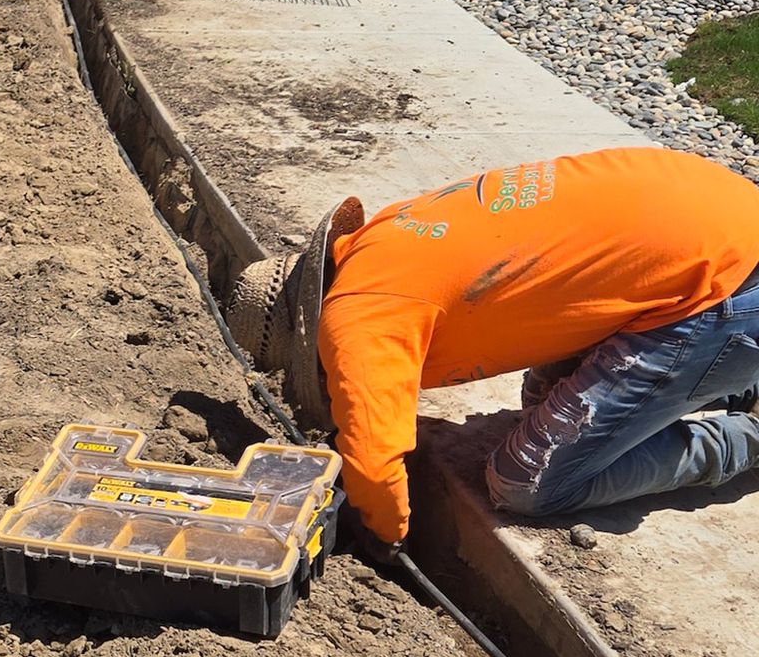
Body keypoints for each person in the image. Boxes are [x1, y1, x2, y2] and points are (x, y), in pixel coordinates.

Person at [225, 147, 759, 559]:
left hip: (724, 286)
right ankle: (733, 375)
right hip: (713, 211)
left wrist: (383, 541)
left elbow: (376, 461)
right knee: (543, 397)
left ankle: (745, 435)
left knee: (527, 479)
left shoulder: (360, 319)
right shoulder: (380, 237)